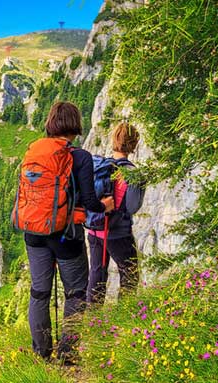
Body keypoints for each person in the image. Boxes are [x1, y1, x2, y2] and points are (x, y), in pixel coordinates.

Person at [21, 102, 115, 363]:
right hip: (66, 235)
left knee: (39, 291)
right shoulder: (80, 157)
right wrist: (104, 206)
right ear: (75, 124)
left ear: (51, 122)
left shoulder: (35, 151)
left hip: (34, 232)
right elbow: (89, 200)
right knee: (74, 292)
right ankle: (68, 353)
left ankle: (41, 352)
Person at [87, 122, 145, 305]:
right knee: (130, 275)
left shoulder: (100, 166)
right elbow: (132, 207)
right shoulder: (132, 173)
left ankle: (91, 323)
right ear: (134, 145)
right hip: (118, 233)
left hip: (95, 230)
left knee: (96, 277)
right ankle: (123, 321)